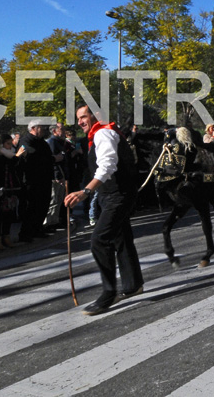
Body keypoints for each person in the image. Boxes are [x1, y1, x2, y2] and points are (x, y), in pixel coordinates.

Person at [64, 105, 144, 316]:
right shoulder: (99, 134)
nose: (80, 121)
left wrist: (85, 191)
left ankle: (109, 293)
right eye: (78, 118)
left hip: (119, 195)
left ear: (96, 116)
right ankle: (132, 284)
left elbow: (108, 165)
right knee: (121, 237)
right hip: (112, 194)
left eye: (84, 116)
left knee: (99, 240)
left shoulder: (103, 133)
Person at [17, 120, 54, 242]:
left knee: (43, 205)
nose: (43, 130)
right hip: (31, 180)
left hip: (44, 179)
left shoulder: (42, 142)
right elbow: (32, 155)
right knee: (31, 207)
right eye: (41, 127)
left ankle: (37, 229)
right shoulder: (26, 140)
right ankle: (26, 232)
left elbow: (47, 156)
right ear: (33, 128)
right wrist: (51, 158)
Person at [0, 134, 23, 249]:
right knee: (0, 214)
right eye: (7, 144)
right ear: (1, 144)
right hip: (1, 188)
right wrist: (16, 157)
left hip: (11, 187)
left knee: (9, 213)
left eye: (11, 144)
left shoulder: (10, 155)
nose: (10, 146)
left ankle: (6, 236)